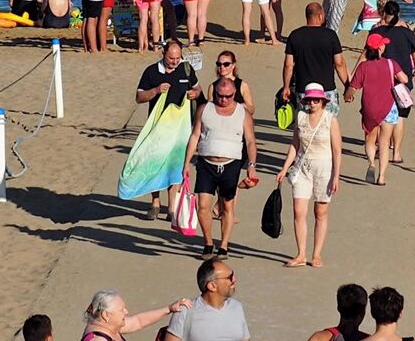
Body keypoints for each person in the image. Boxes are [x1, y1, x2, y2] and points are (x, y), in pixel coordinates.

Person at [182, 69, 257, 254]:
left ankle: (223, 245)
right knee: (203, 206)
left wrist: (252, 167)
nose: (224, 100)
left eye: (228, 96)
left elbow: (250, 141)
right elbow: (194, 136)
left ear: (234, 94)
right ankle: (208, 242)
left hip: (231, 164)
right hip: (206, 164)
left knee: (227, 206)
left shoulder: (242, 113)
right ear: (215, 92)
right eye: (220, 96)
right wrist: (185, 164)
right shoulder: (204, 109)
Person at [129, 40, 201, 219]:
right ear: (163, 54)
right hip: (157, 127)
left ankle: (172, 207)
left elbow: (197, 89)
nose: (175, 61)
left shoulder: (186, 69)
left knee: (174, 165)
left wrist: (195, 94)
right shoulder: (152, 72)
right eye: (171, 58)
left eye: (178, 58)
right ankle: (155, 203)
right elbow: (139, 97)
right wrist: (155, 90)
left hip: (179, 127)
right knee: (154, 163)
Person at [273, 83, 342, 267]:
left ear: (323, 101)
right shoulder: (301, 117)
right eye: (310, 99)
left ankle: (316, 254)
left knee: (320, 212)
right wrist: (284, 168)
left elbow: (337, 150)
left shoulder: (330, 120)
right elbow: (295, 145)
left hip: (324, 168)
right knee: (298, 211)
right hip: (302, 167)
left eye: (316, 100)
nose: (313, 103)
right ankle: (301, 254)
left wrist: (336, 176)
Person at [345, 34, 409, 185]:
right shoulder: (390, 63)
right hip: (389, 108)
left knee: (370, 139)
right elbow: (405, 79)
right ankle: (381, 177)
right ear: (380, 48)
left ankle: (371, 164)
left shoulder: (363, 67)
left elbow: (352, 88)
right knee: (385, 143)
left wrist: (348, 96)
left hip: (370, 108)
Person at [374, 0, 415, 164]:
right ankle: (396, 153)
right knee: (400, 116)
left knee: (383, 114)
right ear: (398, 14)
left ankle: (382, 148)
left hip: (382, 77)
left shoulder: (377, 31)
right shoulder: (407, 32)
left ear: (384, 14)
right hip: (403, 79)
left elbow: (370, 53)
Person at [282, 0, 348, 116]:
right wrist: (347, 85)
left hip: (303, 89)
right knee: (328, 125)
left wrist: (286, 87)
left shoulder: (295, 35)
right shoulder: (331, 35)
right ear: (320, 16)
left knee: (305, 125)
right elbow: (339, 64)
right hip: (326, 89)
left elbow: (288, 65)